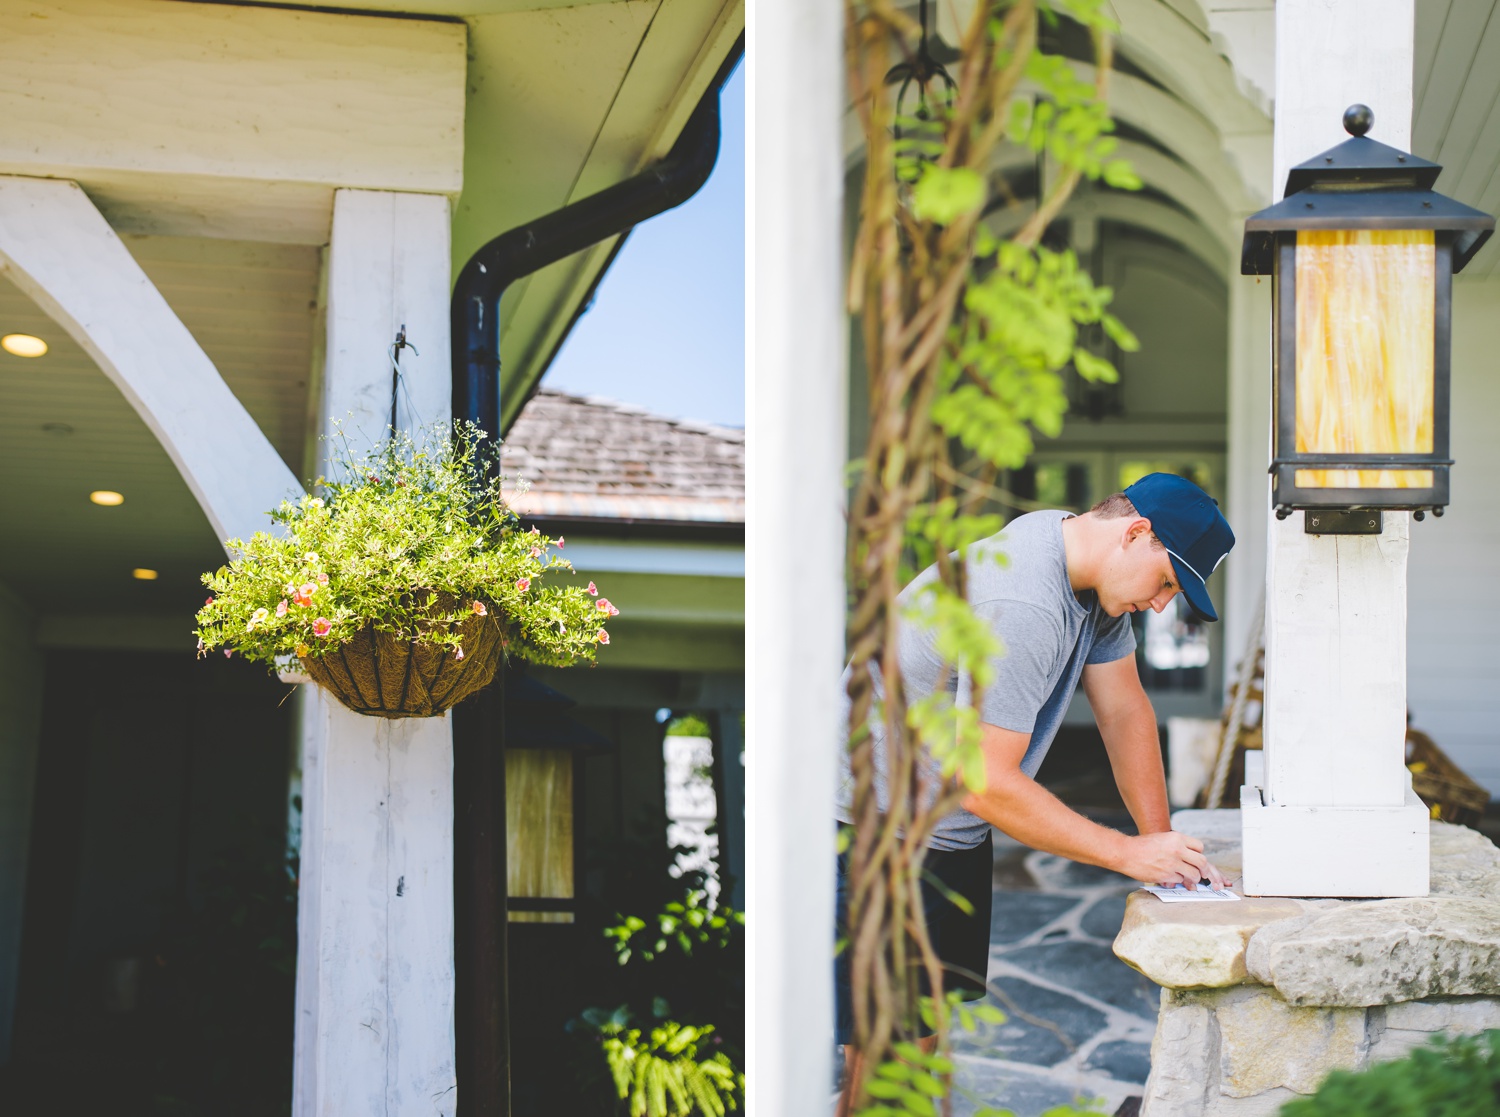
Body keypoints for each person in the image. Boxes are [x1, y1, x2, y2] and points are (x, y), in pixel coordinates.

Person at [833, 472, 1234, 1113]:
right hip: (877, 832)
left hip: (938, 827)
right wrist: (1127, 854)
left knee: (907, 1047)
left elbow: (1125, 711)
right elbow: (987, 784)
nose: (1162, 605)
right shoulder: (1025, 602)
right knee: (891, 1067)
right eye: (1166, 583)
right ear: (1136, 534)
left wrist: (1160, 846)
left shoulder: (1080, 562)